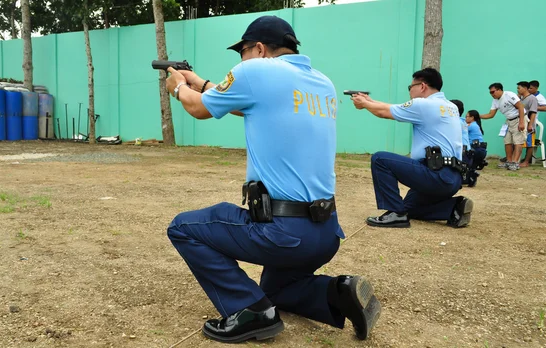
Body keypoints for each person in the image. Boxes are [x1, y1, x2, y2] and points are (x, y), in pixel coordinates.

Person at [163, 15, 381, 344]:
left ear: (261, 49)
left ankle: (250, 314)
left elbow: (196, 108)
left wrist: (178, 87)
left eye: (243, 53)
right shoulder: (321, 82)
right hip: (324, 235)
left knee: (183, 228)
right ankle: (338, 293)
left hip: (283, 233)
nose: (240, 62)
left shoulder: (256, 71)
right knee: (277, 289)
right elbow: (251, 103)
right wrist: (203, 81)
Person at [351, 67, 473, 229]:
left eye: (411, 87)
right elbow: (395, 107)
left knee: (380, 159)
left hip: (435, 174)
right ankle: (453, 208)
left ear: (422, 86)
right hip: (453, 178)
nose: (409, 91)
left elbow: (384, 112)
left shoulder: (423, 105)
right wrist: (369, 101)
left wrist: (364, 104)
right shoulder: (450, 106)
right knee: (409, 207)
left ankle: (396, 214)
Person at [480, 83, 526, 171]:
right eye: (490, 93)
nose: (492, 94)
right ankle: (509, 161)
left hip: (518, 118)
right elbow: (491, 114)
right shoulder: (495, 101)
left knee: (518, 142)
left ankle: (515, 163)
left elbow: (520, 106)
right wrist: (478, 116)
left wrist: (521, 122)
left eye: (493, 92)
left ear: (499, 90)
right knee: (507, 141)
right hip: (509, 121)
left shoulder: (509, 95)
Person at [517, 81, 539, 167]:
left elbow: (533, 112)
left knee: (529, 144)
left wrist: (530, 124)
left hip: (529, 124)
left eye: (519, 88)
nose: (518, 90)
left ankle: (526, 162)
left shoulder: (532, 98)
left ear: (525, 88)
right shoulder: (522, 99)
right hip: (522, 124)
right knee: (520, 142)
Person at [465, 110, 488, 187]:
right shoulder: (476, 125)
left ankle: (470, 177)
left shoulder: (471, 126)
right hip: (481, 149)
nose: (466, 118)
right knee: (471, 167)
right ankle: (471, 178)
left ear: (472, 117)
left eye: (467, 116)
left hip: (476, 150)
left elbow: (459, 130)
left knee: (466, 163)